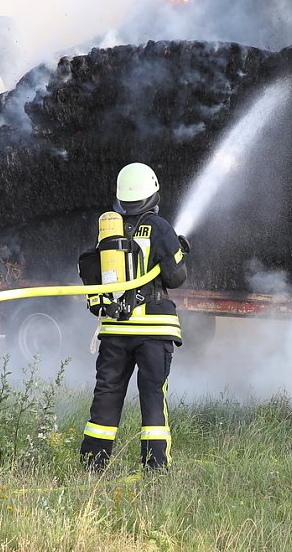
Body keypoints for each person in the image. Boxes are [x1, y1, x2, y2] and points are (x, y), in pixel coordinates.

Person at [79, 162, 189, 472]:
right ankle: (155, 466)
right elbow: (176, 276)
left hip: (115, 329)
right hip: (154, 330)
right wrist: (178, 250)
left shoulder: (108, 230)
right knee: (153, 394)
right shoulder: (160, 227)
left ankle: (92, 463)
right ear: (153, 193)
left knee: (107, 393)